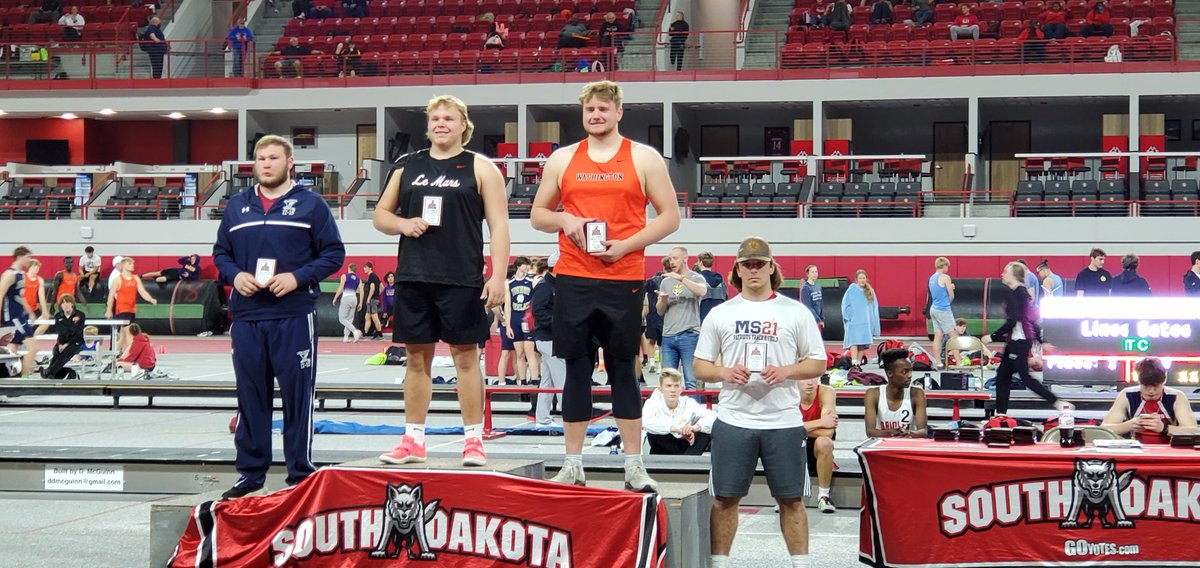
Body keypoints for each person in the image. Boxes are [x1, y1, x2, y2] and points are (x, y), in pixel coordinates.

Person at [531, 80, 680, 491]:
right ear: (583, 114)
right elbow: (538, 214)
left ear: (618, 112)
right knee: (576, 371)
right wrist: (564, 220)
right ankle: (573, 463)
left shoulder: (644, 158)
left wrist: (626, 246)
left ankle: (634, 465)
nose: (596, 115)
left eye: (603, 108)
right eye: (589, 110)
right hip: (575, 277)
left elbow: (670, 217)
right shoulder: (562, 159)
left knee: (622, 372)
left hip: (623, 277)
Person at [374, 95, 510, 468]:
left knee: (466, 359)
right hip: (414, 276)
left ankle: (473, 441)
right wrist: (403, 223)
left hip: (462, 278)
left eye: (449, 118)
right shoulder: (407, 166)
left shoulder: (481, 168)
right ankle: (413, 441)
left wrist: (497, 276)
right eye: (435, 118)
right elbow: (381, 215)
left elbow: (499, 226)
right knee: (416, 360)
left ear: (464, 125)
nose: (441, 123)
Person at [213, 134, 346, 499]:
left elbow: (334, 254)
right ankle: (251, 473)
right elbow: (221, 254)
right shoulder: (237, 207)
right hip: (248, 317)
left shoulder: (311, 205)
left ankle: (299, 470)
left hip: (294, 315)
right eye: (260, 158)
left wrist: (297, 277)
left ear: (290, 164)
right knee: (250, 396)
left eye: (273, 158)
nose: (266, 164)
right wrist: (234, 275)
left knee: (296, 396)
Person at [694, 236, 826, 568]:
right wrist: (724, 372)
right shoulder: (720, 314)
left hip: (782, 421)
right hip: (734, 419)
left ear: (771, 267)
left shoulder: (795, 312)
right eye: (747, 264)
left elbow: (818, 362)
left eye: (760, 264)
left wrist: (787, 371)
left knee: (792, 500)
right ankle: (719, 564)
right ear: (737, 269)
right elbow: (700, 367)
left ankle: (801, 564)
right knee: (724, 499)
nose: (754, 270)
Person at [983, 262, 1071, 416]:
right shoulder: (1020, 292)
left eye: (1005, 271)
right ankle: (1001, 415)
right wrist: (1041, 341)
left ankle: (1057, 402)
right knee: (1002, 377)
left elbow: (1014, 320)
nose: (1002, 274)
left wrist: (992, 336)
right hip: (1015, 342)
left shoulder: (1016, 293)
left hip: (1019, 342)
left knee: (1025, 377)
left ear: (1014, 275)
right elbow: (1030, 319)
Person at [1101, 357, 1197, 444]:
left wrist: (1164, 428)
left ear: (1164, 380)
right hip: (1137, 451)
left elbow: (1193, 431)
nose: (1151, 391)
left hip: (1169, 450)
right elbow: (1104, 429)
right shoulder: (1127, 395)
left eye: (1155, 385)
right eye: (1146, 386)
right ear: (1139, 381)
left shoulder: (1176, 396)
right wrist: (1130, 425)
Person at [656, 246, 708, 393]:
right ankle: (670, 414)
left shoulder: (696, 278)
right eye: (670, 258)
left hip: (689, 336)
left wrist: (682, 279)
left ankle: (694, 415)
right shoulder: (666, 281)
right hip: (668, 337)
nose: (671, 262)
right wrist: (664, 300)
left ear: (685, 259)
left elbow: (702, 291)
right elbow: (660, 311)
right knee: (668, 382)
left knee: (691, 381)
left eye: (675, 258)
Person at [642, 368, 715, 455]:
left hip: (685, 444)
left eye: (676, 386)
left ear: (681, 389)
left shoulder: (688, 402)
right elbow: (645, 422)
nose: (673, 390)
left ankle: (688, 462)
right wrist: (677, 430)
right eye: (668, 386)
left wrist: (694, 427)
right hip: (662, 446)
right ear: (661, 389)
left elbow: (712, 416)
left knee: (705, 431)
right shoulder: (652, 403)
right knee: (654, 430)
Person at [531, 252, 564, 426]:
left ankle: (542, 419)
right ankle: (570, 419)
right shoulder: (544, 286)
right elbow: (538, 311)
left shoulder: (556, 285)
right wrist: (558, 325)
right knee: (562, 379)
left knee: (548, 380)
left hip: (551, 337)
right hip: (548, 338)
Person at [864, 349, 929, 438]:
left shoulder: (917, 393)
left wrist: (909, 433)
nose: (910, 375)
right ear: (890, 373)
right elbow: (870, 432)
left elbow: (923, 431)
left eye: (910, 370)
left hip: (907, 447)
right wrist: (893, 433)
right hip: (882, 448)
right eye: (905, 371)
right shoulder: (873, 394)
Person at [799, 375, 838, 513]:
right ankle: (787, 495)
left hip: (816, 448)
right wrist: (821, 422)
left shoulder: (827, 392)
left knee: (825, 442)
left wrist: (799, 428)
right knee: (783, 440)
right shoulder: (788, 393)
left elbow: (828, 433)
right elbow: (783, 429)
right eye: (805, 378)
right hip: (796, 446)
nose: (810, 382)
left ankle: (824, 496)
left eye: (814, 378)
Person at [105, 257, 157, 354]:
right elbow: (111, 295)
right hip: (122, 310)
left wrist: (150, 299)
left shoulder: (135, 279)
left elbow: (142, 291)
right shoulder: (117, 280)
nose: (132, 266)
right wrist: (109, 310)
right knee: (129, 334)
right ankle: (131, 355)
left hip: (131, 309)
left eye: (133, 264)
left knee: (123, 335)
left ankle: (113, 355)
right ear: (124, 265)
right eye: (130, 264)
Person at [1, 247, 40, 377]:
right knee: (33, 348)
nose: (29, 260)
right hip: (12, 317)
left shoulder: (21, 274)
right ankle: (23, 376)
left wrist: (30, 312)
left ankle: (13, 376)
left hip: (20, 316)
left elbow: (21, 297)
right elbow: (0, 295)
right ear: (19, 256)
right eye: (27, 257)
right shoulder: (9, 274)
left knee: (13, 347)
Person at [504, 257, 538, 390]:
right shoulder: (509, 283)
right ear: (519, 266)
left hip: (527, 317)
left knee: (530, 351)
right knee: (519, 352)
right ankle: (522, 380)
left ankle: (534, 380)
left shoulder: (532, 280)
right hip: (515, 318)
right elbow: (507, 305)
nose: (527, 268)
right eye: (525, 265)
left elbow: (536, 300)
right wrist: (508, 325)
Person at [41, 294, 85, 380]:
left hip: (75, 342)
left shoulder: (80, 315)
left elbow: (78, 334)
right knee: (56, 352)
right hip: (62, 342)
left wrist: (66, 344)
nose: (66, 305)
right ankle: (53, 373)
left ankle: (49, 372)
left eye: (68, 302)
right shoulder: (58, 316)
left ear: (72, 303)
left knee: (65, 353)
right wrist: (60, 344)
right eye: (63, 303)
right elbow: (60, 332)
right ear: (60, 305)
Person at [841, 269, 880, 367]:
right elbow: (845, 304)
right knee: (854, 342)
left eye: (864, 278)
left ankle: (858, 363)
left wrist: (873, 323)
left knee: (862, 343)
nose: (862, 280)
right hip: (854, 322)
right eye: (860, 278)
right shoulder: (851, 289)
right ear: (856, 279)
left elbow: (874, 307)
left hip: (865, 322)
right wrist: (849, 316)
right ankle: (853, 362)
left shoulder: (870, 291)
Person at [928, 257, 956, 368]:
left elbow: (938, 291)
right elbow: (951, 295)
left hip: (933, 308)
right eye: (947, 266)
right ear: (944, 266)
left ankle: (938, 362)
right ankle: (958, 362)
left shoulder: (931, 278)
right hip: (943, 309)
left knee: (938, 336)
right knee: (954, 336)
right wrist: (948, 301)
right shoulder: (945, 277)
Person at [332, 263, 363, 343]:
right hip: (354, 298)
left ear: (349, 268)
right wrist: (361, 302)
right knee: (349, 319)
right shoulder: (359, 279)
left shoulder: (344, 276)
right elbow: (361, 291)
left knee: (342, 318)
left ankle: (355, 331)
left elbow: (341, 288)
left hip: (346, 297)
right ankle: (346, 337)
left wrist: (335, 297)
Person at [696, 251, 727, 323]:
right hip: (719, 320)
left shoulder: (696, 281)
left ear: (700, 262)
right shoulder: (722, 283)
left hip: (703, 320)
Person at [361, 262, 383, 339]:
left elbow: (372, 288)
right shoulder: (375, 276)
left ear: (370, 268)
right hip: (374, 299)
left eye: (365, 267)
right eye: (364, 267)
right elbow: (382, 287)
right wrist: (378, 294)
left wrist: (369, 298)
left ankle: (379, 333)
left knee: (374, 317)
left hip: (372, 300)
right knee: (367, 317)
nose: (364, 269)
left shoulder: (372, 276)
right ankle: (365, 333)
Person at [799, 265, 824, 331]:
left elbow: (821, 303)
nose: (815, 274)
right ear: (808, 274)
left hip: (818, 319)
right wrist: (817, 320)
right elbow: (808, 306)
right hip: (810, 319)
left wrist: (822, 318)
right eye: (812, 272)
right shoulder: (806, 288)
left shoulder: (818, 286)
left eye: (816, 271)